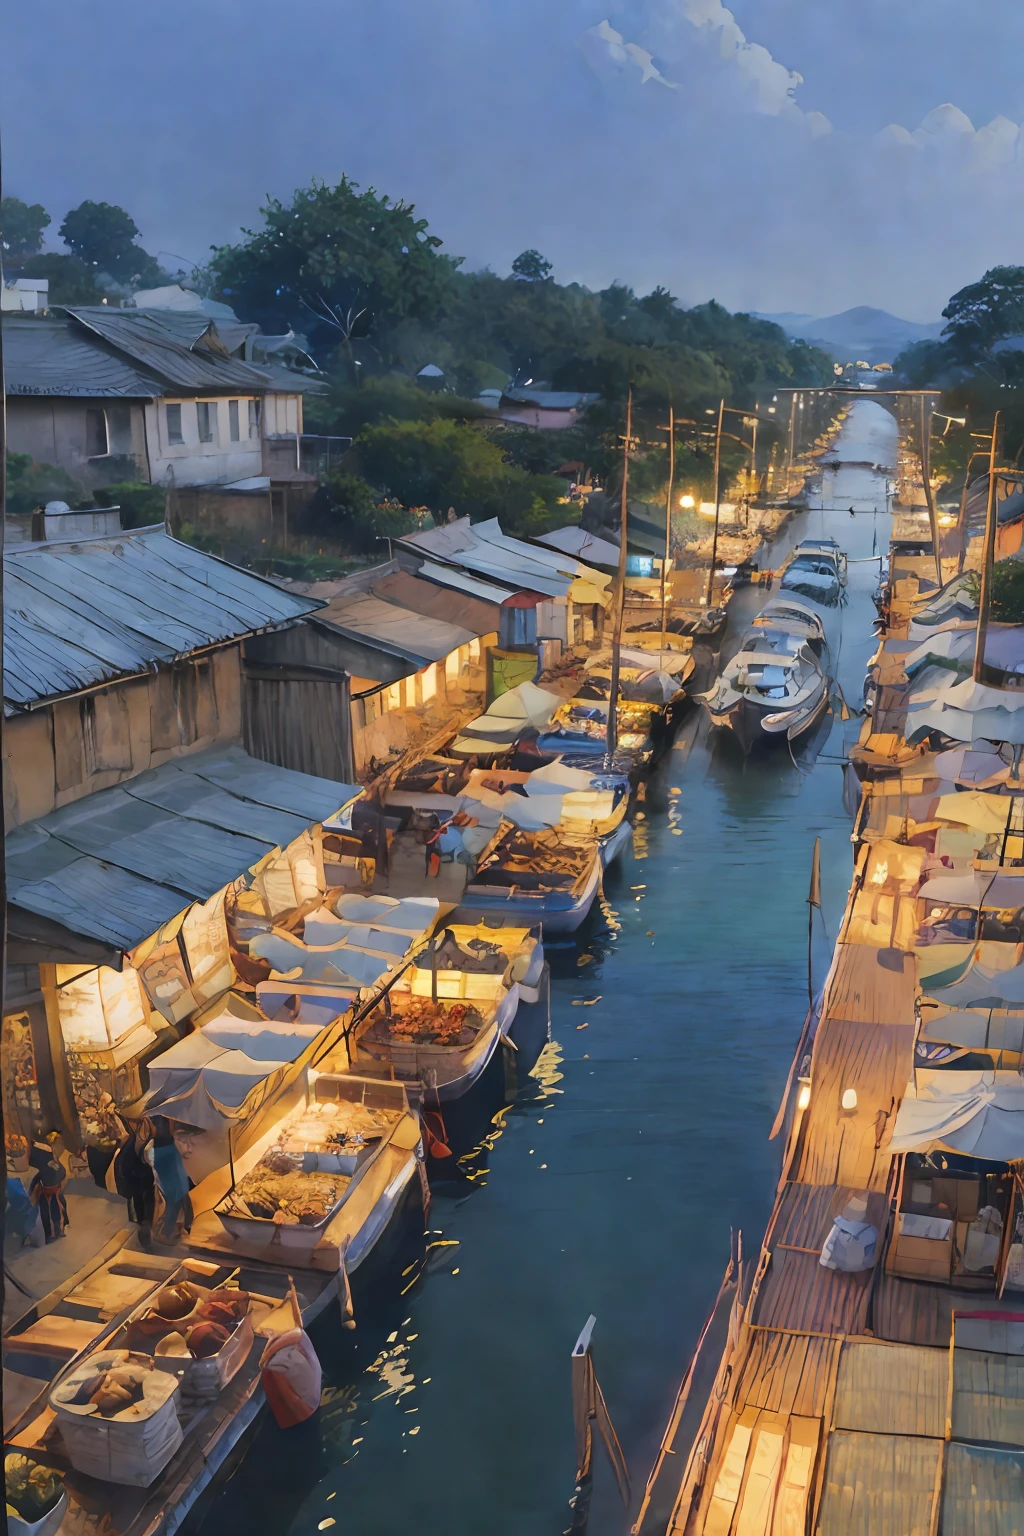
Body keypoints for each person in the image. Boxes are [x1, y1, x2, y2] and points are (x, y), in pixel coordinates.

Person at [147, 1116, 193, 1243]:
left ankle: (171, 1227)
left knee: (180, 1191)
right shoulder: (154, 1115)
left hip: (169, 1149)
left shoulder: (162, 1112)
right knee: (175, 1194)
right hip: (162, 1151)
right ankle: (166, 1232)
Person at [113, 1122, 156, 1246]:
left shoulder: (133, 1143)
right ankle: (145, 1226)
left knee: (141, 1205)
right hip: (143, 1181)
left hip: (139, 1181)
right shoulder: (140, 1144)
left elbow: (123, 1166)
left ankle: (143, 1224)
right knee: (145, 1205)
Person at [29, 1156, 69, 1242]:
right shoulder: (57, 1165)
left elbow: (36, 1179)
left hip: (46, 1190)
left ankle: (49, 1234)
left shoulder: (41, 1166)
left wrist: (32, 1190)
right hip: (56, 1190)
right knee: (57, 1210)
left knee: (46, 1211)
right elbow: (63, 1174)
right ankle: (58, 1231)